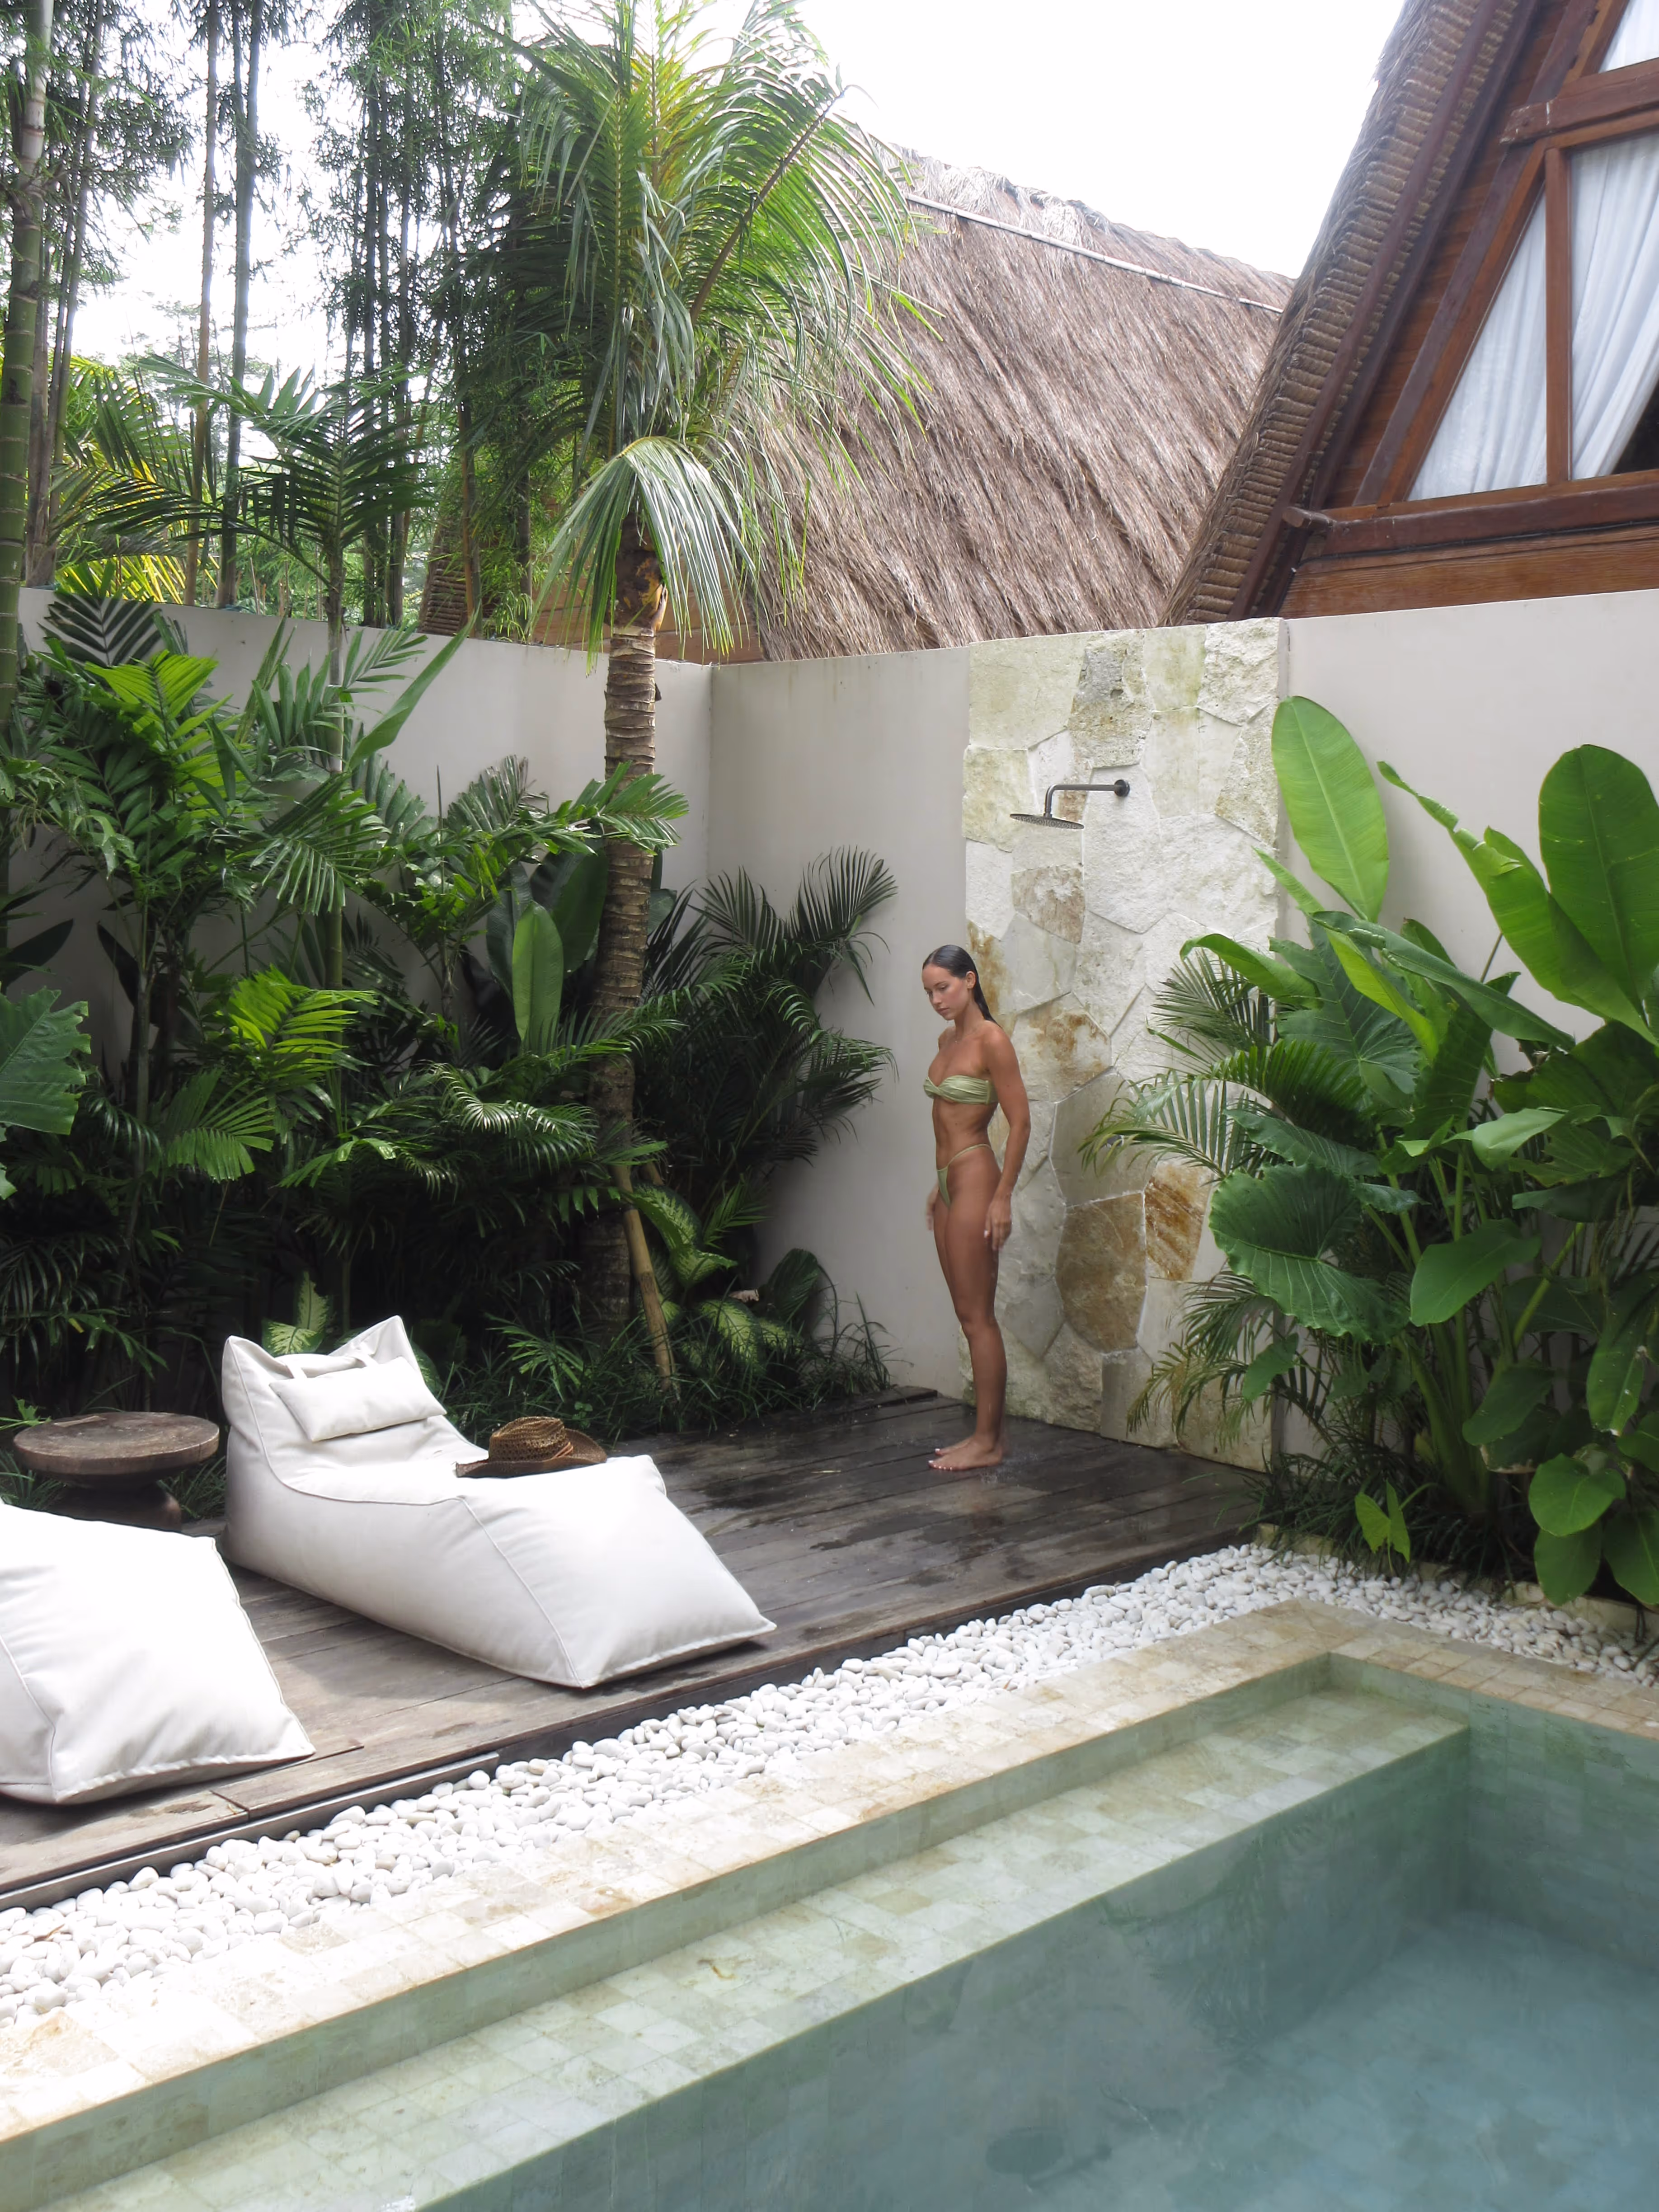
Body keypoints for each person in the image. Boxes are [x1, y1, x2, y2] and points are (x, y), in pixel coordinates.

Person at [921, 944, 1030, 1471]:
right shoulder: (947, 1040)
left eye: (943, 987)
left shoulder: (992, 1040)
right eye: (928, 992)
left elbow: (1020, 1121)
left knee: (977, 1316)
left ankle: (989, 1442)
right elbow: (944, 1114)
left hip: (976, 1176)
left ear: (969, 980)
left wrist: (1003, 1195)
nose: (936, 999)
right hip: (946, 1184)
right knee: (964, 1315)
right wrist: (934, 1188)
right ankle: (985, 1434)